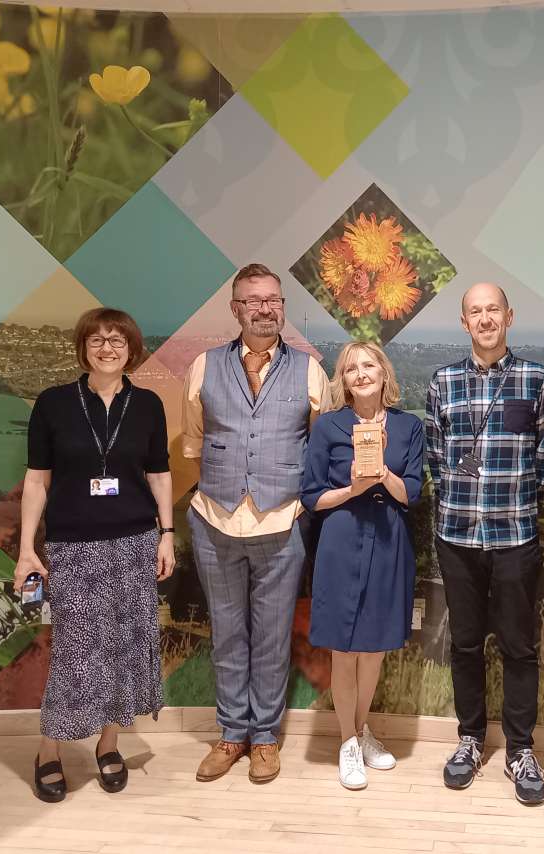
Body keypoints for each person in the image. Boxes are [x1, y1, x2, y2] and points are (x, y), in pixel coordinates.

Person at [13, 307, 175, 803]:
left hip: (134, 544)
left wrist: (166, 534)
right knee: (76, 653)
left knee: (124, 648)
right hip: (73, 546)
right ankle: (49, 750)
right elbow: (37, 482)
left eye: (117, 340)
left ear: (131, 350)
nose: (107, 348)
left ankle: (109, 745)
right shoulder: (54, 403)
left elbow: (159, 474)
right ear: (83, 347)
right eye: (98, 340)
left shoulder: (147, 405)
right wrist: (26, 550)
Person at [181, 263, 330, 784]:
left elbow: (320, 446)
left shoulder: (310, 370)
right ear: (236, 309)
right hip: (214, 519)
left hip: (283, 522)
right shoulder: (203, 366)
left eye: (273, 300)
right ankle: (230, 735)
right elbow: (194, 441)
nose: (264, 308)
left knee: (270, 637)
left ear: (282, 307)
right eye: (253, 300)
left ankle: (264, 738)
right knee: (226, 635)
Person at [425, 282, 544, 806]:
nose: (485, 319)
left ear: (509, 316)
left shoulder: (536, 379)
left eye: (493, 310)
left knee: (519, 646)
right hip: (457, 535)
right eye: (474, 312)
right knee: (464, 643)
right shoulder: (443, 381)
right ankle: (469, 739)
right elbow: (436, 455)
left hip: (514, 535)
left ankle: (521, 749)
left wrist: (515, 495)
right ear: (464, 322)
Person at [301, 342, 424, 790]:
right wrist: (353, 487)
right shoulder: (329, 426)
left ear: (384, 373)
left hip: (390, 541)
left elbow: (412, 492)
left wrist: (382, 475)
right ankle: (347, 741)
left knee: (373, 646)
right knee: (344, 648)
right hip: (341, 539)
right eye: (351, 368)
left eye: (368, 364)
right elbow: (312, 495)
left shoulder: (409, 427)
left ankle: (363, 727)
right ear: (344, 380)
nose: (361, 373)